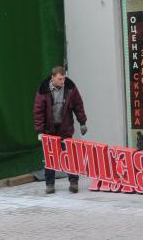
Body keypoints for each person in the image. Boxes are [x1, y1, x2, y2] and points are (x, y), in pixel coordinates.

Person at [33, 66, 88, 194]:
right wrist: (40, 131)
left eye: (63, 78)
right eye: (59, 79)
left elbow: (78, 104)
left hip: (65, 127)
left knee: (70, 155)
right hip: (49, 129)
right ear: (52, 78)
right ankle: (50, 184)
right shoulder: (43, 90)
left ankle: (74, 182)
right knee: (49, 158)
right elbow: (38, 111)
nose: (62, 81)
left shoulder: (70, 87)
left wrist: (82, 122)